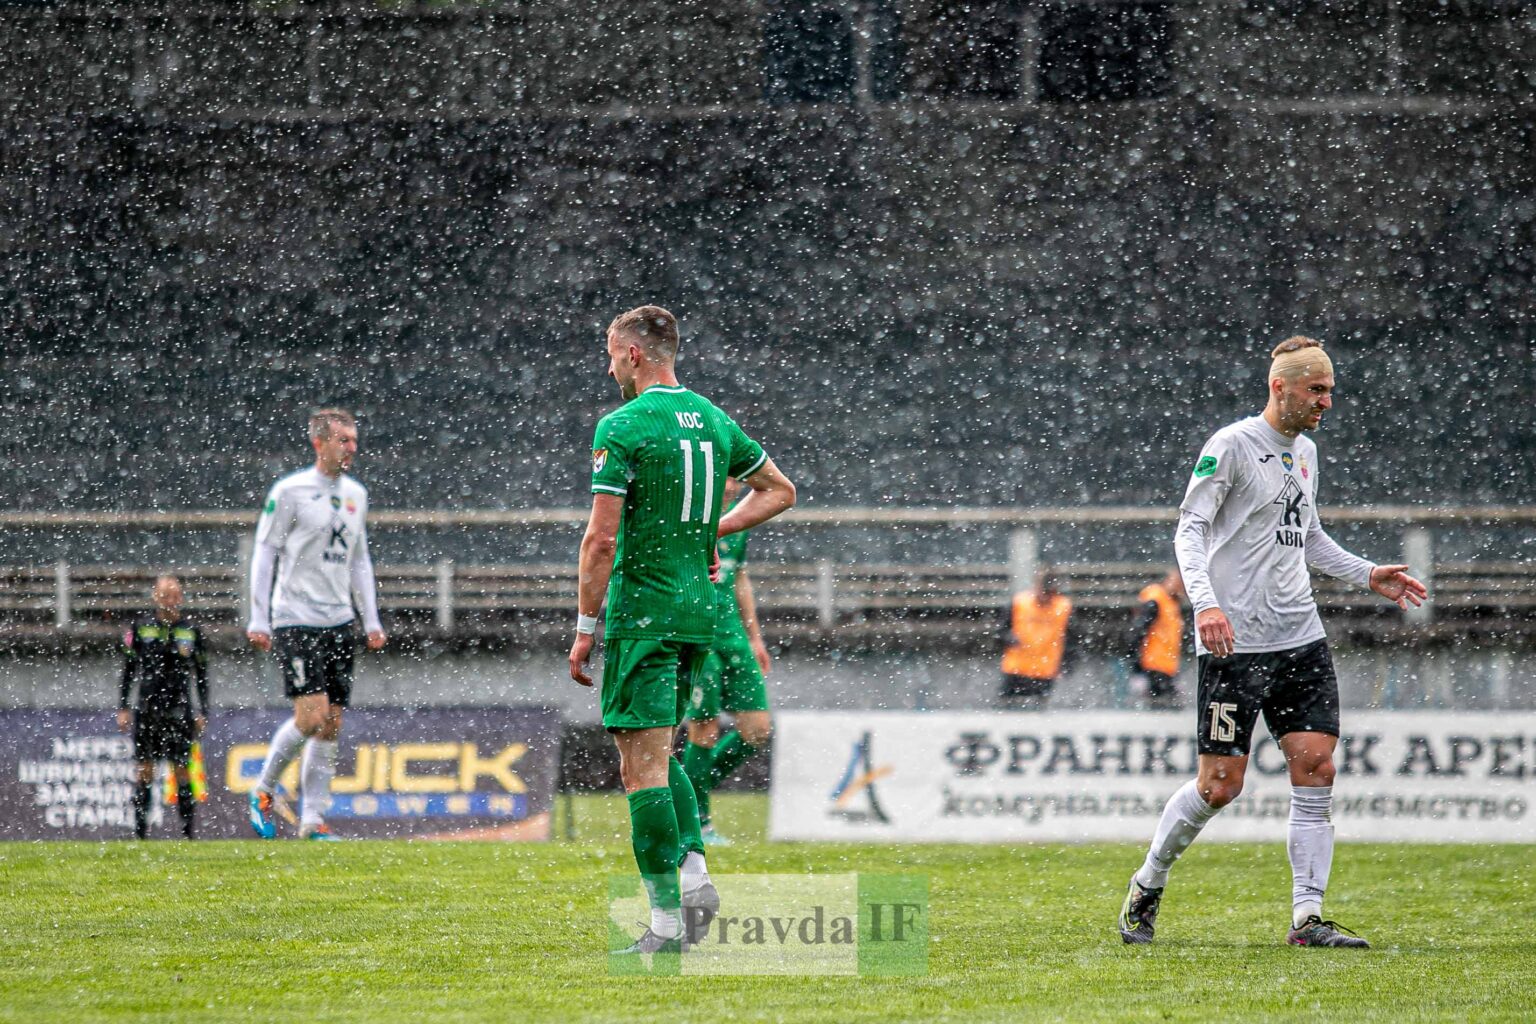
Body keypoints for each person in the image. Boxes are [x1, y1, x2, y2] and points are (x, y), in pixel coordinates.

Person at [1117, 337, 1426, 949]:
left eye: (1330, 390)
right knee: (1219, 787)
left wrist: (1368, 574)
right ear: (1279, 387)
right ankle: (1148, 882)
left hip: (1300, 638)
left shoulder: (1306, 453)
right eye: (1316, 390)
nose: (1327, 402)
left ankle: (1307, 920)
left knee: (1316, 768)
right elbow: (1191, 530)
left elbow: (1307, 537)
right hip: (1236, 645)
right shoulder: (1230, 446)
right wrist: (1205, 603)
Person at [569, 306, 796, 955]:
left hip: (646, 613)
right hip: (700, 614)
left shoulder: (625, 425)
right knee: (659, 756)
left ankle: (670, 926)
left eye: (612, 352)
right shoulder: (713, 419)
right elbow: (780, 490)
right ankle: (694, 877)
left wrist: (586, 626)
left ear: (635, 354)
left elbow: (600, 539)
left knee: (640, 771)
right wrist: (714, 530)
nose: (609, 363)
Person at [245, 408, 387, 841]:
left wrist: (371, 618)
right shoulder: (290, 491)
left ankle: (312, 822)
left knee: (331, 724)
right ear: (319, 443)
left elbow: (359, 560)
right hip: (296, 619)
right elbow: (265, 552)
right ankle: (263, 790)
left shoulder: (356, 495)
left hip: (339, 620)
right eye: (344, 440)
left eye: (354, 441)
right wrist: (259, 616)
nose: (352, 449)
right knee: (310, 717)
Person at [680, 477, 774, 847]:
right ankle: (698, 822)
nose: (733, 486)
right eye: (726, 477)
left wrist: (754, 637)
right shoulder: (685, 522)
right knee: (703, 730)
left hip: (734, 637)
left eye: (738, 478)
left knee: (757, 731)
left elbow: (740, 578)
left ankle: (683, 791)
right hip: (698, 637)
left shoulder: (739, 522)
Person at [117, 575, 209, 839]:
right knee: (145, 771)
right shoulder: (141, 627)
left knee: (181, 770)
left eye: (175, 594)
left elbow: (202, 675)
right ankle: (140, 834)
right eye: (165, 594)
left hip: (180, 709)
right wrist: (123, 706)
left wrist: (203, 710)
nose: (170, 599)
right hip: (147, 708)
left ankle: (188, 833)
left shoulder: (191, 630)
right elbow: (128, 670)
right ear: (155, 596)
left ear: (181, 597)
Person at [998, 568, 1074, 709]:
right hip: (1017, 668)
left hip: (1045, 670)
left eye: (1049, 593)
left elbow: (1072, 640)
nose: (1044, 597)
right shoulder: (1020, 603)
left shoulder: (1064, 607)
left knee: (1039, 714)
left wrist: (1067, 664)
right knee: (1009, 710)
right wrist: (1009, 638)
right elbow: (1000, 630)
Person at [1128, 569, 1186, 709]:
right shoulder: (1157, 600)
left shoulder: (1172, 604)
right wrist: (1137, 669)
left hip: (1166, 667)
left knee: (1168, 709)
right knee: (1161, 710)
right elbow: (1138, 632)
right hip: (1153, 666)